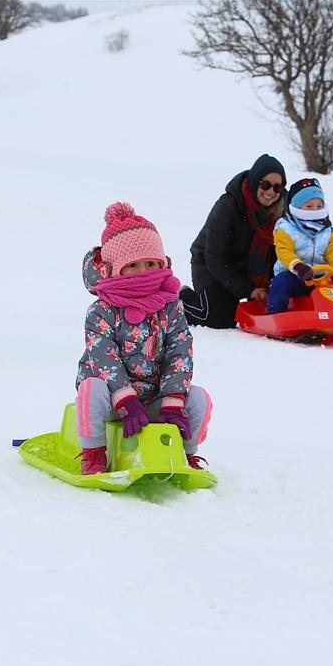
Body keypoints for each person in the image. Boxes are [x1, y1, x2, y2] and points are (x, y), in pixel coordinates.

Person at [76, 202, 213, 476]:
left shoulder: (171, 306)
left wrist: (173, 399)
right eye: (133, 265)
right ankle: (93, 453)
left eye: (151, 263)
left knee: (198, 397)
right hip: (114, 401)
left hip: (153, 399)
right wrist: (125, 399)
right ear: (115, 270)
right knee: (91, 389)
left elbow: (179, 352)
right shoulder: (102, 311)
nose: (144, 272)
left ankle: (184, 454)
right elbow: (104, 358)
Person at [180, 154, 286, 329]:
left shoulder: (283, 210)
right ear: (254, 182)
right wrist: (249, 290)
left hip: (246, 268)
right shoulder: (228, 206)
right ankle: (180, 299)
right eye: (265, 185)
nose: (270, 192)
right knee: (218, 319)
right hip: (209, 265)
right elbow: (214, 258)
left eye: (277, 188)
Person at [266, 176, 333, 314]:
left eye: (319, 206)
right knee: (281, 282)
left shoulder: (327, 231)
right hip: (295, 275)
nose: (315, 210)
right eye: (309, 206)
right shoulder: (285, 229)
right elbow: (284, 251)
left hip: (322, 277)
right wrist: (298, 267)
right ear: (297, 207)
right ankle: (275, 314)